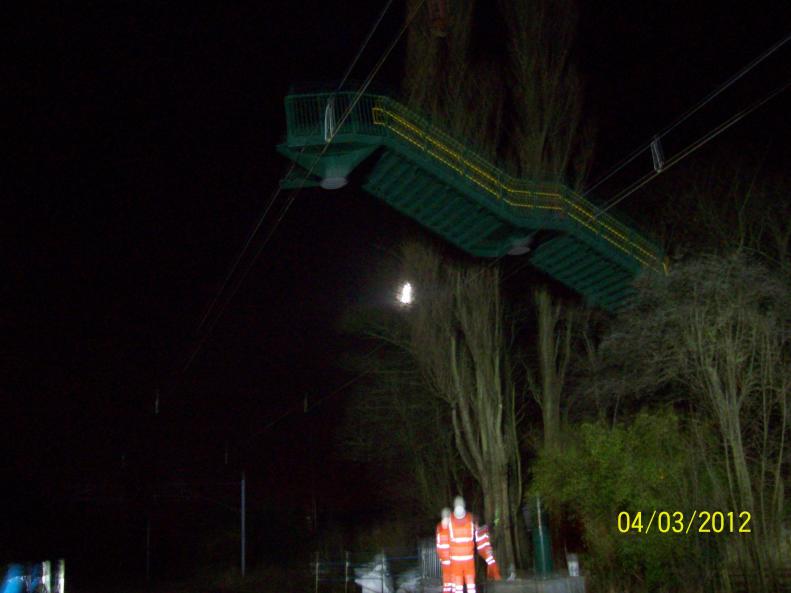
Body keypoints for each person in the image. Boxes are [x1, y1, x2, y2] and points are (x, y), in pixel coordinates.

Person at [447, 496, 501, 593]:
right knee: (471, 584)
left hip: (457, 560)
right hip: (472, 556)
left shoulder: (450, 522)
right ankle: (496, 577)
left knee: (458, 585)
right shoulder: (473, 524)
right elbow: (484, 527)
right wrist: (494, 523)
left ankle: (493, 577)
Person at [435, 508, 452, 593]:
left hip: (445, 559)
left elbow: (438, 545)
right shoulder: (451, 527)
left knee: (447, 582)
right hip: (452, 559)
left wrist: (440, 557)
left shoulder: (439, 527)